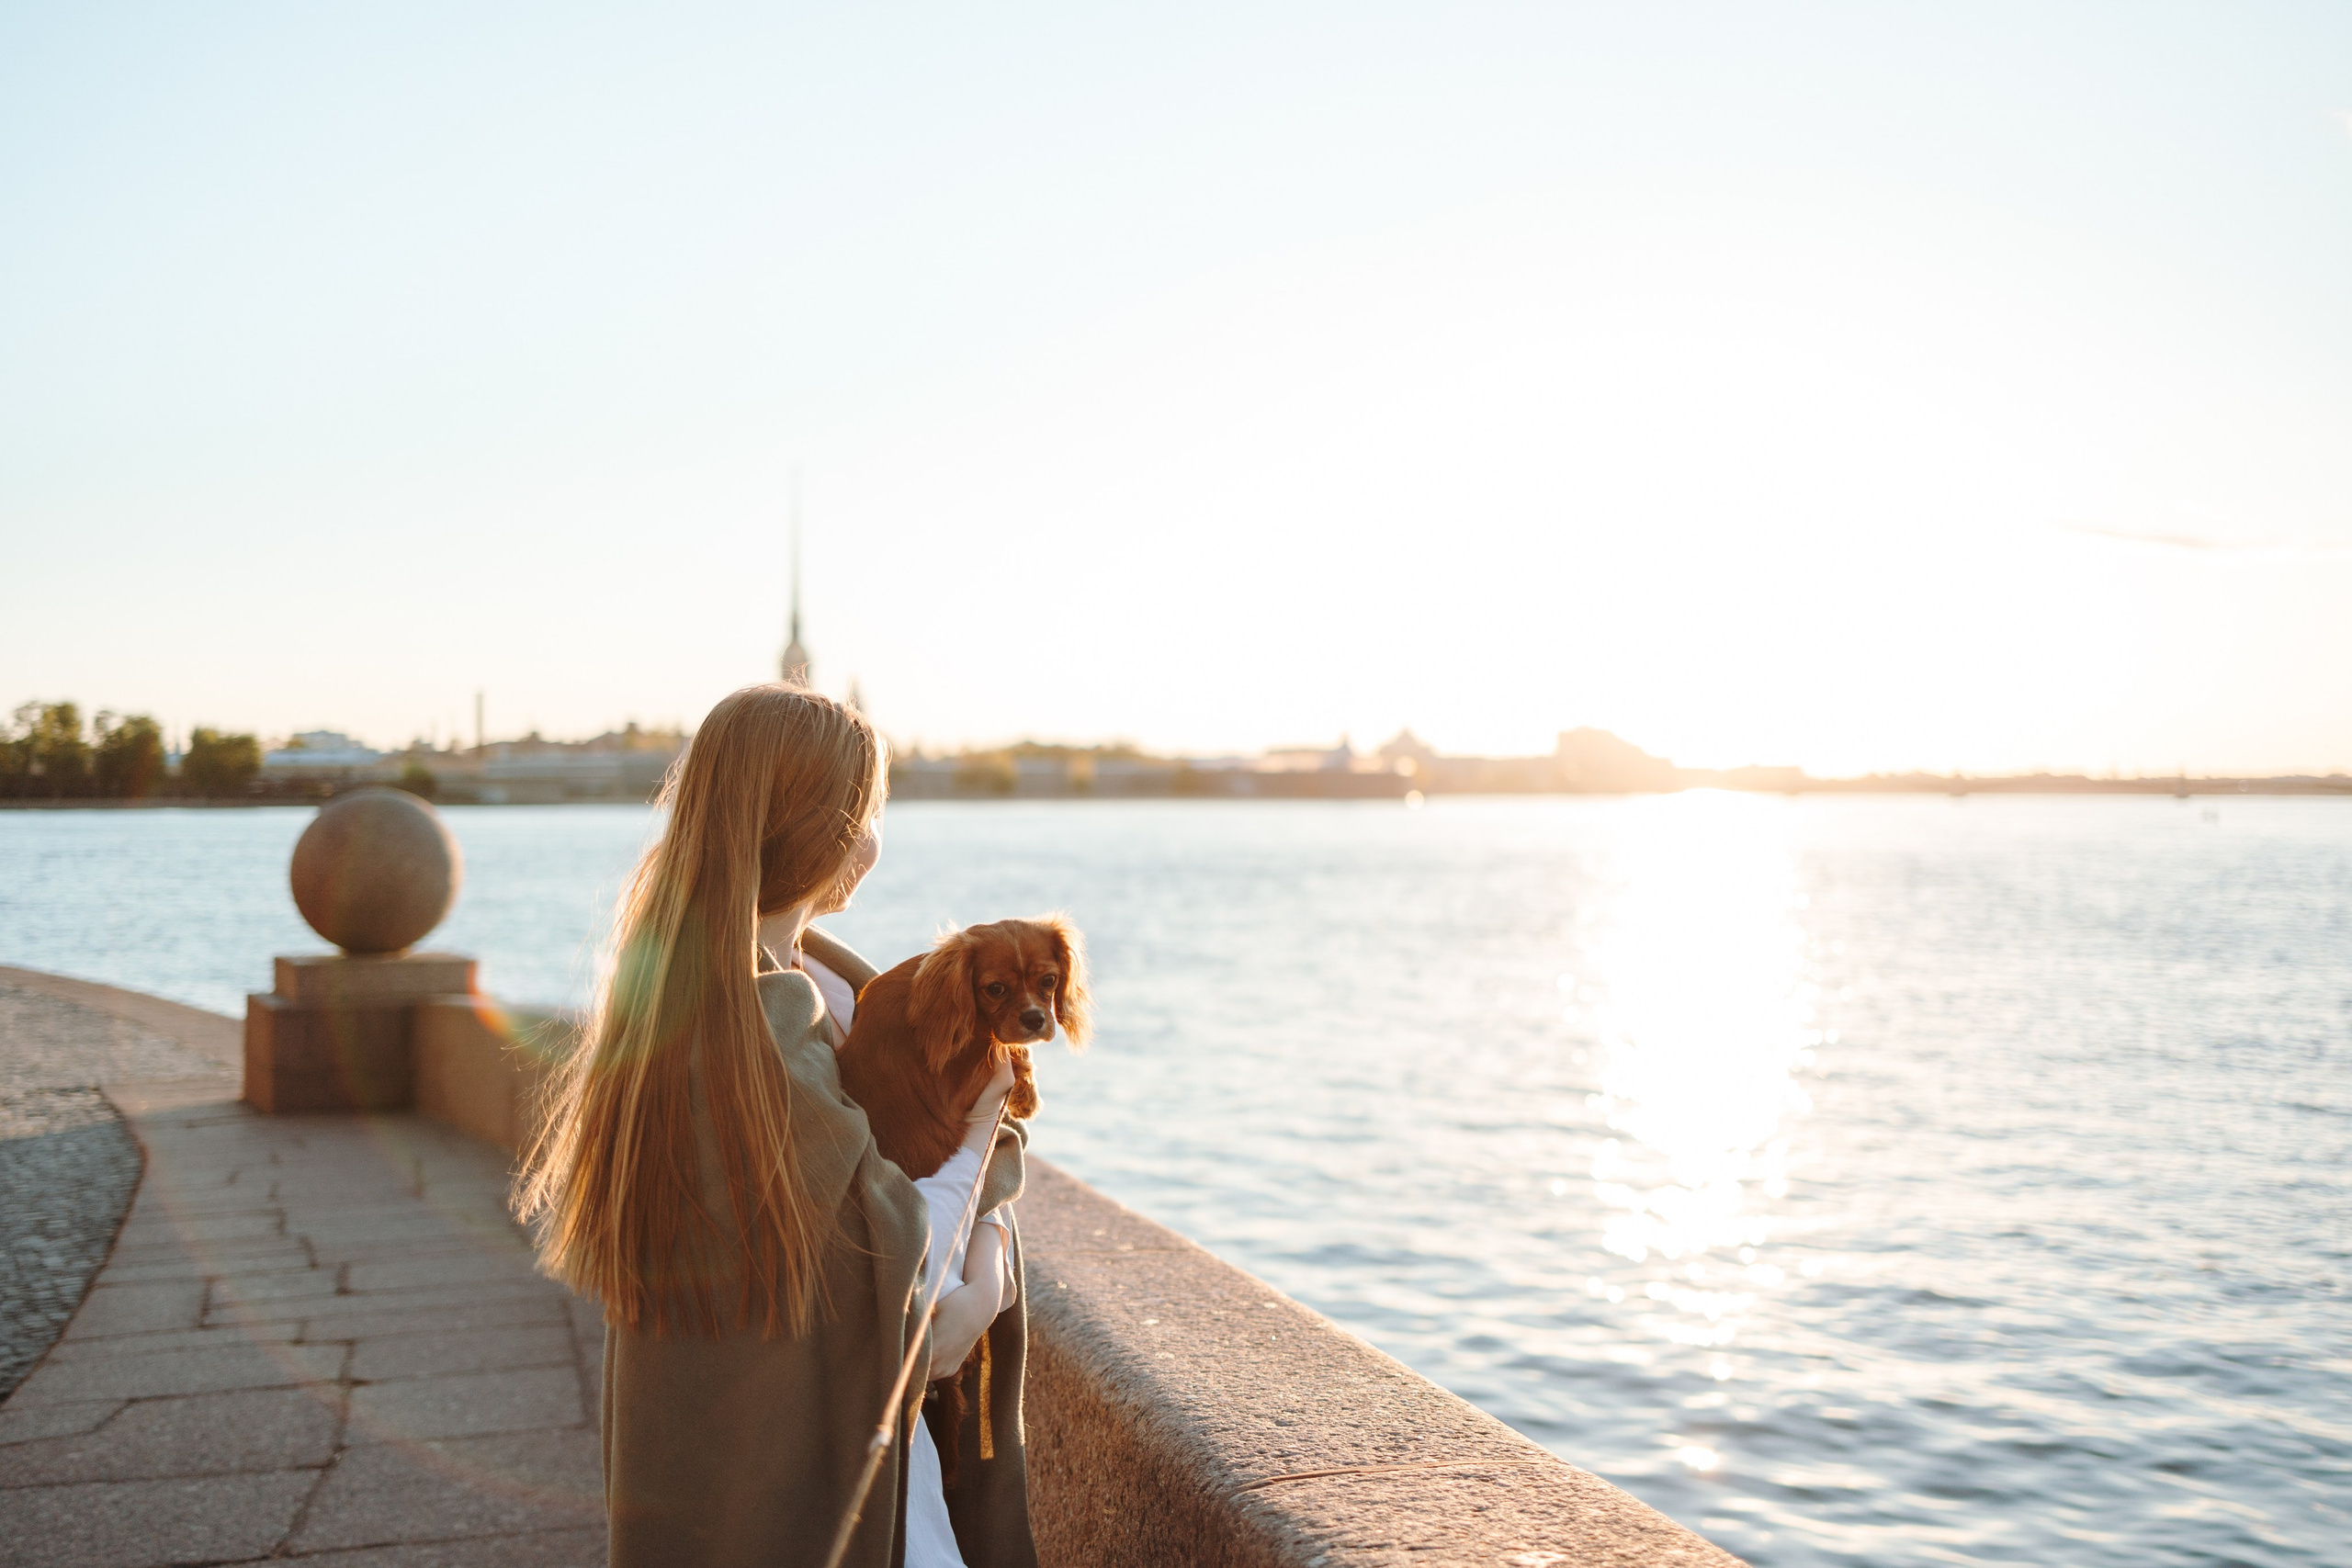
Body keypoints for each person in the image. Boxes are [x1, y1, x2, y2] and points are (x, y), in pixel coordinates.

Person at [517, 683, 1037, 1568]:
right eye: (868, 813)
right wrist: (988, 1162)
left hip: (747, 1468)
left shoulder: (736, 991)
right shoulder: (757, 1027)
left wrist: (982, 1251)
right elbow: (891, 1250)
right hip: (819, 1489)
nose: (876, 841)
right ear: (827, 833)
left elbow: (880, 1203)